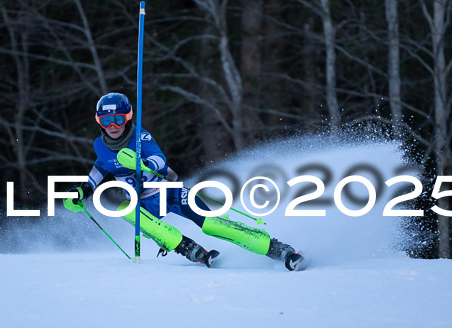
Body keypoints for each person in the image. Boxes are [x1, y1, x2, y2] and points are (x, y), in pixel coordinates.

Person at [63, 92, 305, 270]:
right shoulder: (100, 145)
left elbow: (159, 158)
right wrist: (84, 190)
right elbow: (101, 166)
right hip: (142, 203)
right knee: (125, 210)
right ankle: (189, 249)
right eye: (106, 121)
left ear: (128, 117)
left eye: (117, 119)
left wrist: (143, 165)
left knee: (213, 225)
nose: (113, 126)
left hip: (167, 191)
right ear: (99, 122)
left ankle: (278, 249)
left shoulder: (140, 136)